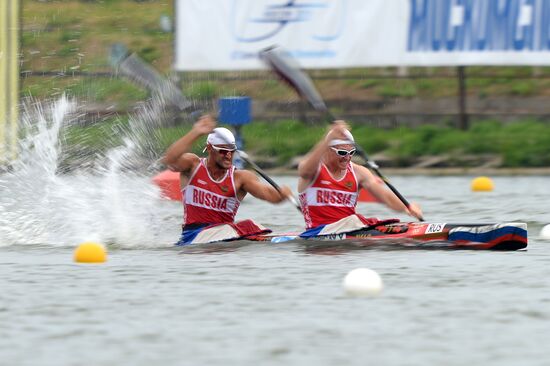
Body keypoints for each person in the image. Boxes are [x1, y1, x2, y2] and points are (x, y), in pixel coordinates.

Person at [162, 114, 293, 245]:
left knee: (250, 224)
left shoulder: (241, 178)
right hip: (193, 236)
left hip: (225, 239)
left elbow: (271, 196)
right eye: (223, 151)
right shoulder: (192, 165)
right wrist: (196, 132)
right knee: (243, 227)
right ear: (209, 148)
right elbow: (169, 160)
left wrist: (282, 194)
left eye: (232, 151)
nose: (228, 156)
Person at [297, 121, 423, 236]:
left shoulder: (360, 173)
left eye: (351, 152)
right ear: (327, 150)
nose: (347, 157)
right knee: (355, 220)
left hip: (351, 229)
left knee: (364, 221)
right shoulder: (313, 170)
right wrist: (327, 140)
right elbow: (304, 170)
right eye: (342, 153)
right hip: (318, 232)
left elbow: (385, 197)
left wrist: (407, 207)